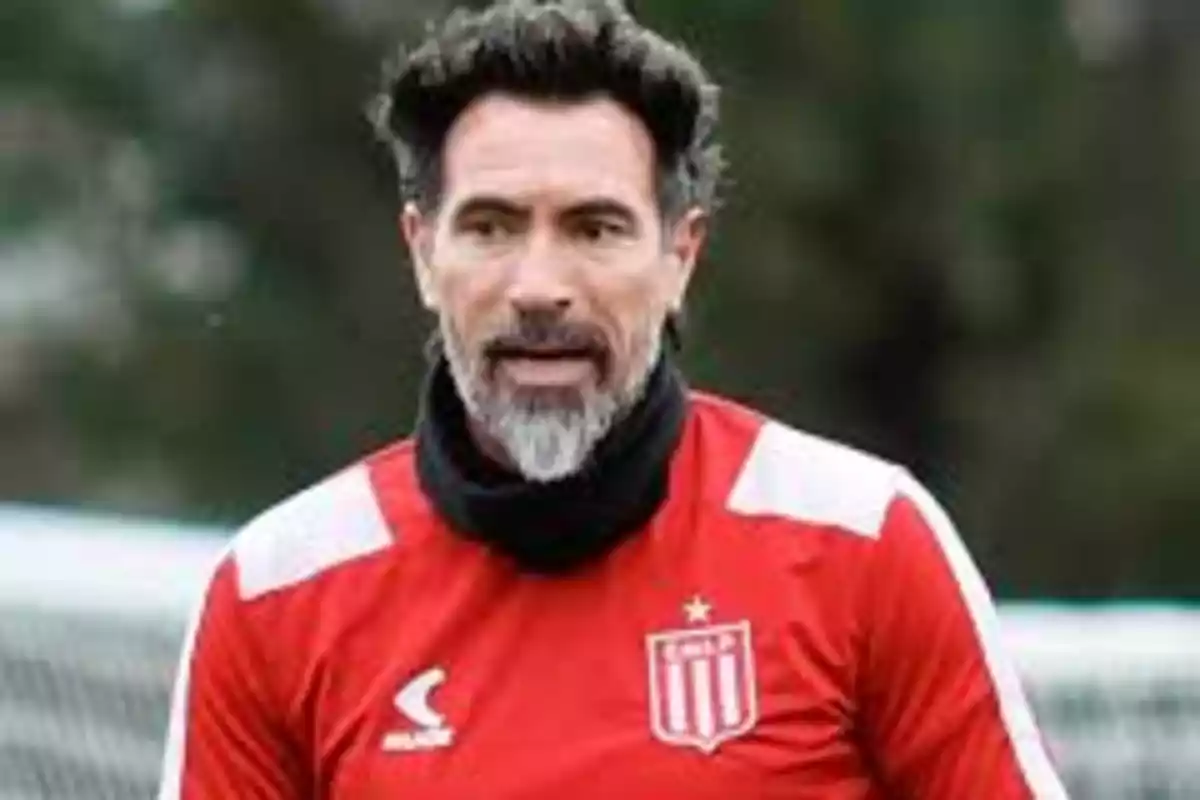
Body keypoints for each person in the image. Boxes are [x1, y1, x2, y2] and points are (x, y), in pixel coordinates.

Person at [157, 1, 1068, 797]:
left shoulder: (863, 540)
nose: (540, 286)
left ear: (681, 256)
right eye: (491, 226)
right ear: (423, 254)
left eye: (594, 228)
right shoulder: (277, 590)